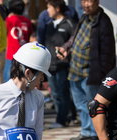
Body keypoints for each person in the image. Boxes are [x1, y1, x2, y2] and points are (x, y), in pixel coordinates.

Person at [57, 0, 115, 140]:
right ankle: (86, 131)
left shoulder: (103, 21)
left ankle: (96, 133)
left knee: (93, 104)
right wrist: (65, 48)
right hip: (75, 68)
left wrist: (104, 73)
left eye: (89, 1)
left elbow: (108, 51)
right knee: (80, 103)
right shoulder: (83, 18)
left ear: (97, 2)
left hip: (91, 70)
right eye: (83, 1)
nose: (86, 4)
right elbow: (74, 38)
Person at [44, 0, 76, 128]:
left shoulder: (69, 23)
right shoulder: (49, 24)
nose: (47, 10)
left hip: (63, 65)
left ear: (57, 8)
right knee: (55, 94)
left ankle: (62, 120)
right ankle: (67, 116)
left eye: (49, 7)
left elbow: (74, 43)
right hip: (50, 65)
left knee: (64, 92)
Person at [4, 0, 33, 82]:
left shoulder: (9, 20)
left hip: (11, 54)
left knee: (8, 79)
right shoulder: (27, 21)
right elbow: (30, 35)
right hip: (24, 54)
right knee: (23, 80)